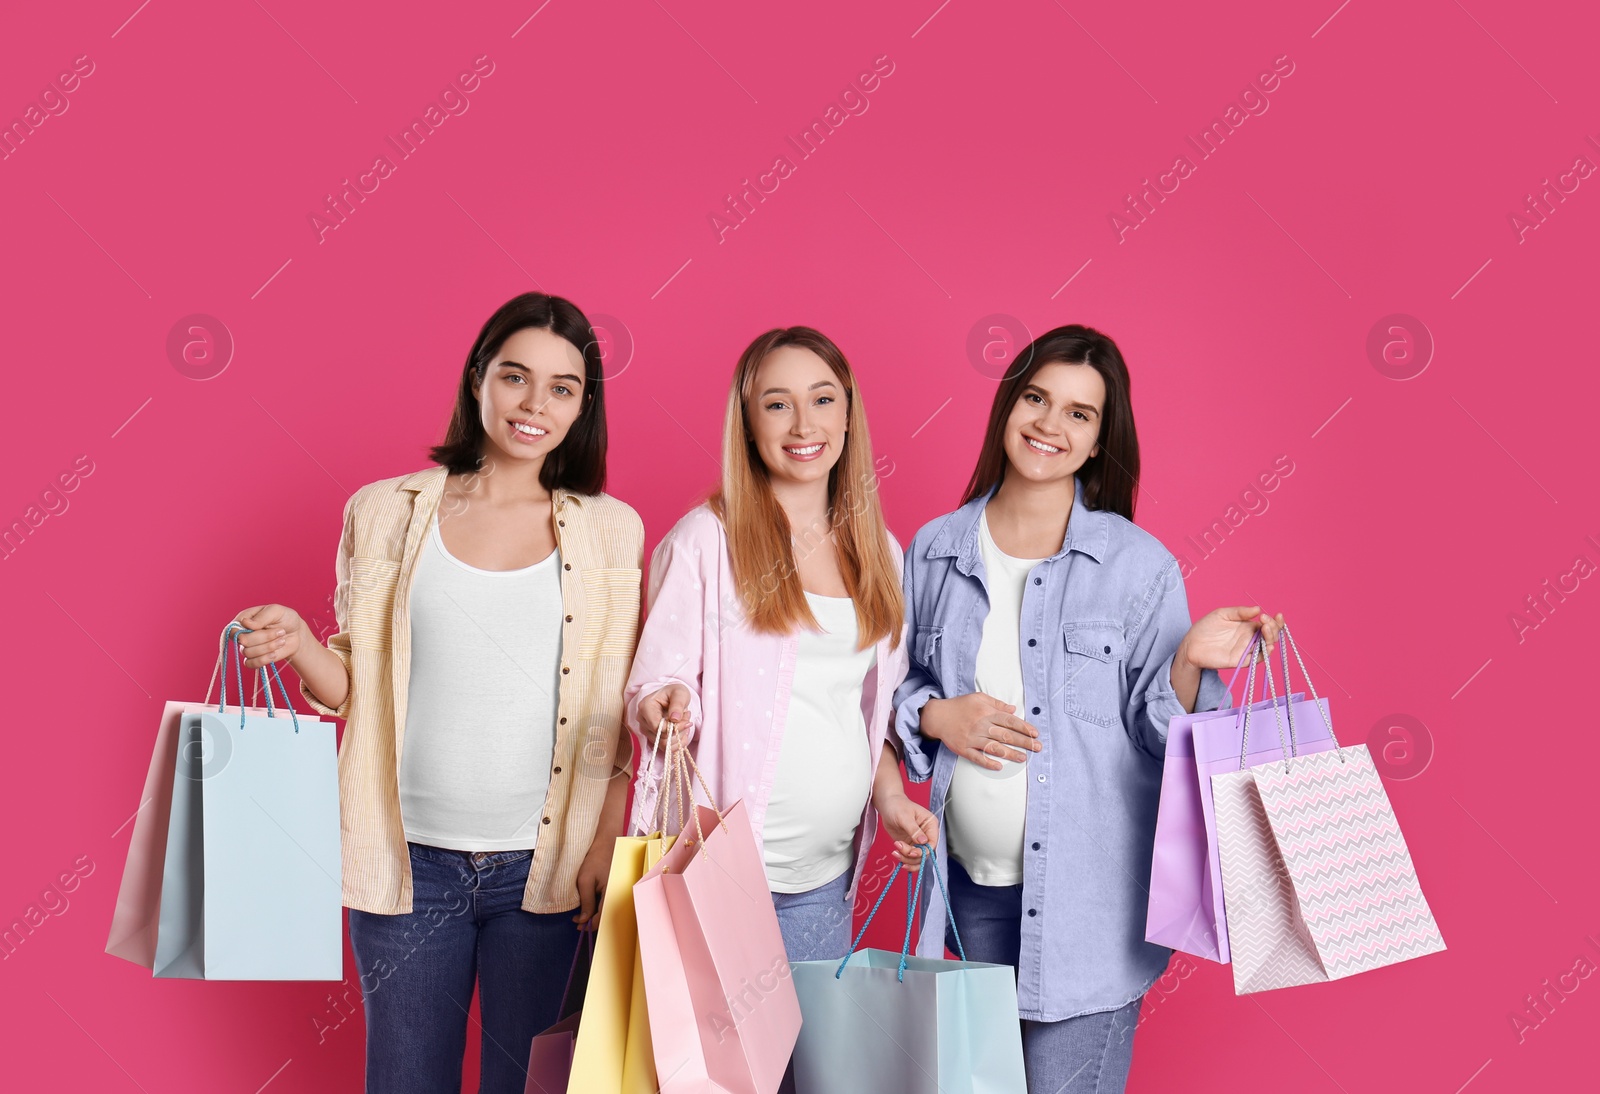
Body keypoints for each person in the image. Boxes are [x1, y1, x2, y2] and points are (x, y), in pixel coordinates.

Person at [231, 292, 644, 1094]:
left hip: (548, 870)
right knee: (405, 1077)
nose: (535, 404)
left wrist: (602, 848)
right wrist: (300, 645)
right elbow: (358, 685)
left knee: (529, 1083)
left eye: (562, 387)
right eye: (515, 377)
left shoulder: (609, 529)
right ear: (478, 379)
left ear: (584, 404)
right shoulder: (385, 511)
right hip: (408, 863)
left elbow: (617, 713)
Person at [894, 324, 1284, 1093]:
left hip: (1089, 916)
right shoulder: (934, 550)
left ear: (1102, 438)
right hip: (963, 898)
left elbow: (1158, 738)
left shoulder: (1137, 566)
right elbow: (891, 689)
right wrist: (939, 717)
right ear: (1008, 404)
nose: (1050, 424)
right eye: (1037, 398)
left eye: (1079, 413)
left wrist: (1186, 661)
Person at [624, 325, 938, 968]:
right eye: (776, 403)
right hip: (716, 873)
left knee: (807, 1070)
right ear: (747, 421)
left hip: (823, 882)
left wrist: (892, 797)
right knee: (708, 1070)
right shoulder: (706, 541)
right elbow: (649, 689)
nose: (803, 423)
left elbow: (867, 712)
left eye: (823, 399)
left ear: (848, 415)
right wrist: (664, 702)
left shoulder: (879, 551)